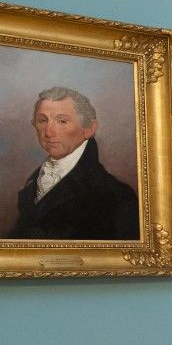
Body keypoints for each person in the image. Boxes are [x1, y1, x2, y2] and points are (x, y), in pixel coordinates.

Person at [9, 87, 138, 240]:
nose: (49, 132)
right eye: (42, 120)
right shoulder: (32, 182)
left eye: (62, 121)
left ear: (89, 129)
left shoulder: (117, 196)